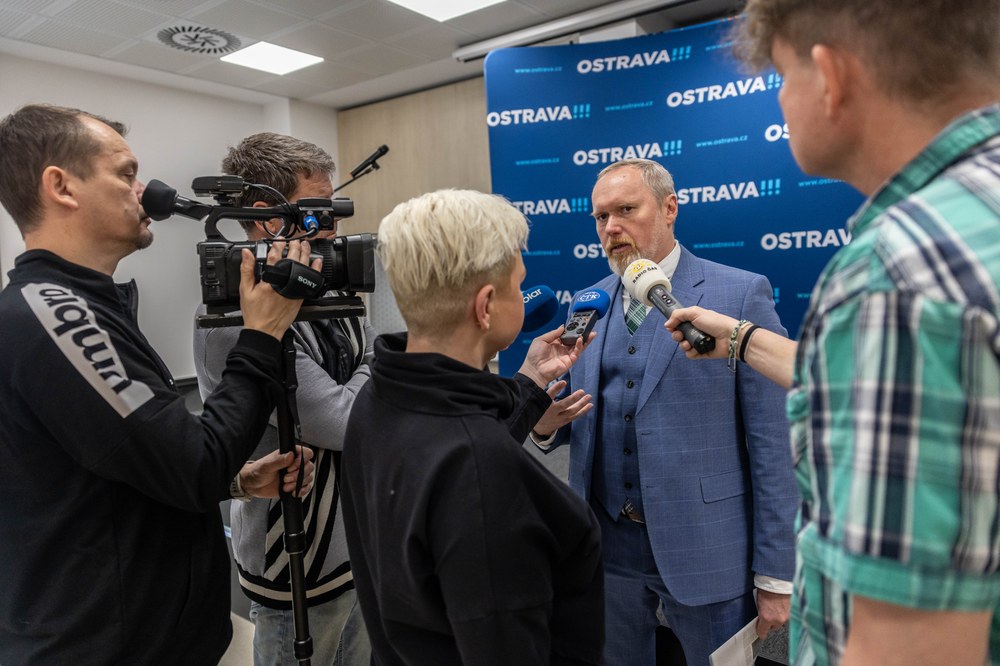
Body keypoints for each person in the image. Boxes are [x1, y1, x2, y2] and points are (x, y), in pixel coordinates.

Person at [662, 1, 1000, 663]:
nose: (782, 103)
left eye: (783, 78)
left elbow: (911, 649)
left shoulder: (895, 276)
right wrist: (738, 338)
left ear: (830, 75)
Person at [0, 104, 316, 664]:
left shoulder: (89, 305)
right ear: (61, 186)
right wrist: (262, 335)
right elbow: (193, 466)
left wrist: (236, 481)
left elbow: (131, 462)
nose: (143, 191)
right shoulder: (54, 313)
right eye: (125, 173)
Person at [532, 158, 799, 665]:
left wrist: (775, 574)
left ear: (670, 208)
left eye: (626, 210)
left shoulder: (740, 293)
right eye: (600, 217)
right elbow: (580, 421)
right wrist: (545, 427)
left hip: (708, 549)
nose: (611, 228)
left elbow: (773, 443)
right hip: (606, 551)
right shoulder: (587, 305)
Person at [341, 189, 605, 665]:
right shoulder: (481, 469)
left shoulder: (376, 399)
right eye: (517, 284)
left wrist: (530, 381)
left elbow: (454, 439)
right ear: (485, 306)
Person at [194, 132, 373, 666]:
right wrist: (383, 362)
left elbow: (367, 368)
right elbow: (343, 419)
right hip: (295, 565)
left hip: (357, 546)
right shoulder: (234, 322)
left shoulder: (324, 285)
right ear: (266, 218)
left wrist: (374, 363)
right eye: (318, 211)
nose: (334, 226)